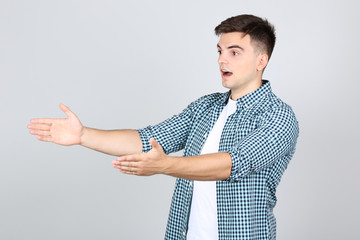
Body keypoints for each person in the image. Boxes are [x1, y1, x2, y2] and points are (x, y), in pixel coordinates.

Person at [28, 14, 299, 240]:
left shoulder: (278, 116)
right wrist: (84, 135)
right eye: (219, 51)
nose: (221, 60)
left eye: (234, 52)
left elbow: (233, 164)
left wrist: (165, 165)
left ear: (261, 61)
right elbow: (148, 139)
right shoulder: (206, 107)